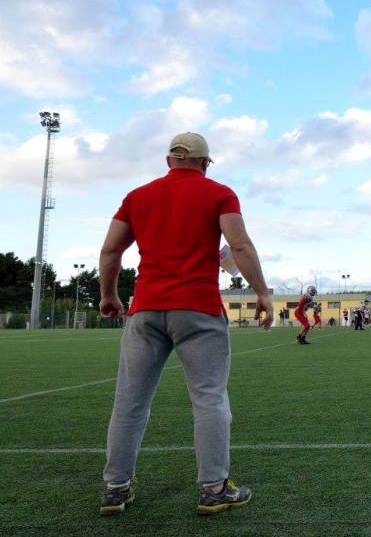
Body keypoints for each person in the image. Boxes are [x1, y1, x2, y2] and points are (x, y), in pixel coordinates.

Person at [97, 132, 273, 517]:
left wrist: (109, 294)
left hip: (146, 310)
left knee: (129, 401)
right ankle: (214, 489)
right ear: (205, 163)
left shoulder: (137, 196)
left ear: (169, 161)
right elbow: (239, 246)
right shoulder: (219, 194)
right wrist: (262, 291)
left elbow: (110, 249)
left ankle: (115, 488)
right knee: (209, 398)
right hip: (198, 309)